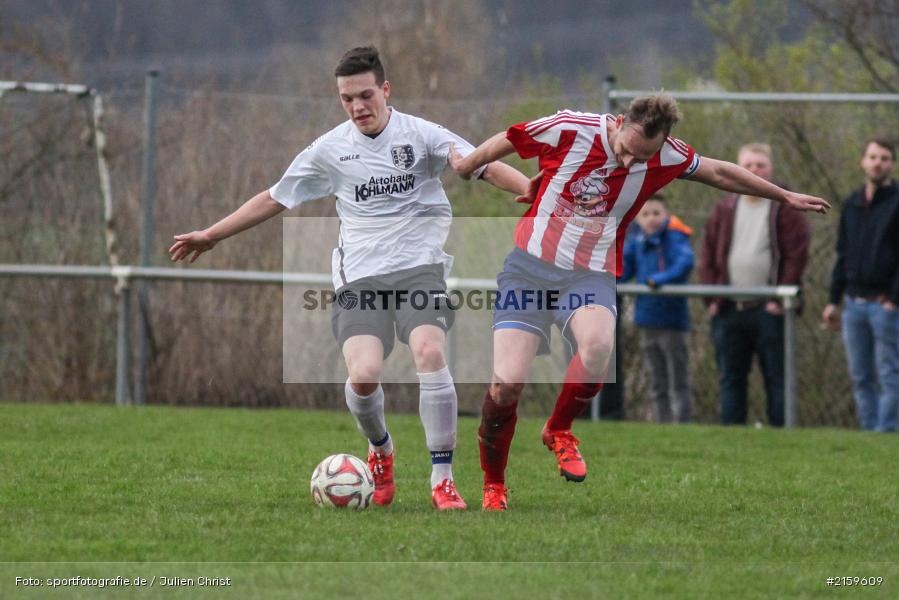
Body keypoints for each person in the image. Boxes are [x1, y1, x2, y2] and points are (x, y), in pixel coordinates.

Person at [168, 47, 530, 510]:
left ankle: (442, 479)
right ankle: (381, 450)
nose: (357, 106)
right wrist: (212, 234)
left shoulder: (422, 135)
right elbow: (274, 197)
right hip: (359, 278)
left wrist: (533, 191)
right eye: (347, 98)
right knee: (363, 374)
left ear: (385, 89)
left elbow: (484, 164)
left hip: (420, 270)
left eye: (365, 95)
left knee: (429, 350)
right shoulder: (330, 149)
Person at [449, 94, 830, 511]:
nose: (630, 161)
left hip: (590, 272)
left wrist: (784, 196)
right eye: (627, 149)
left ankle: (559, 430)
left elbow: (720, 171)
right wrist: (468, 166)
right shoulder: (571, 128)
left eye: (642, 157)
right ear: (619, 122)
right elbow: (510, 137)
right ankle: (494, 485)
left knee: (598, 347)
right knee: (506, 385)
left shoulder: (668, 154)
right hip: (530, 269)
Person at [699, 143, 810, 427]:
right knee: (730, 378)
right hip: (729, 308)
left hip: (769, 309)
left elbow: (796, 255)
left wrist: (779, 298)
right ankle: (732, 438)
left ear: (770, 168)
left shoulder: (784, 208)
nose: (754, 170)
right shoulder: (724, 208)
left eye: (760, 165)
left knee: (777, 377)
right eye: (748, 165)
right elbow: (708, 254)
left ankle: (783, 436)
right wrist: (711, 298)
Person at [822, 138, 899, 432]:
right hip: (853, 304)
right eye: (873, 157)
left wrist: (893, 299)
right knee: (860, 376)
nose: (877, 163)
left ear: (892, 164)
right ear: (863, 161)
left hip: (885, 305)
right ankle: (869, 433)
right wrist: (833, 300)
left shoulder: (896, 202)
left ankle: (886, 431)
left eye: (884, 158)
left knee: (889, 373)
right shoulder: (852, 204)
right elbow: (843, 254)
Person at [620, 193, 694, 423]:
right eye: (645, 214)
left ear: (666, 214)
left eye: (656, 213)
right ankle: (662, 424)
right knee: (656, 378)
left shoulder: (675, 237)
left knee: (678, 379)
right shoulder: (637, 240)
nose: (651, 219)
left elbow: (685, 263)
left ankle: (682, 423)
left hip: (673, 320)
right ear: (638, 218)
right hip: (646, 318)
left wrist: (659, 280)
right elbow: (624, 268)